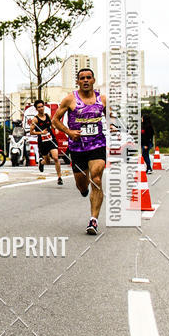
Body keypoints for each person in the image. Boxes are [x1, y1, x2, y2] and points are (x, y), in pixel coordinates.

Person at [52, 68, 107, 235]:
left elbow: (112, 117)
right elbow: (55, 120)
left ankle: (94, 220)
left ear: (93, 80)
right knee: (82, 183)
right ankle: (84, 190)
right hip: (77, 148)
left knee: (96, 178)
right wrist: (69, 132)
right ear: (78, 81)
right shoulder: (70, 99)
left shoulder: (102, 99)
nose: (85, 80)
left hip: (97, 145)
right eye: (82, 78)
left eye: (88, 77)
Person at [29, 99, 63, 185]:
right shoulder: (35, 120)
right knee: (47, 161)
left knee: (55, 158)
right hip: (42, 142)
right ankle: (42, 162)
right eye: (39, 107)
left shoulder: (48, 116)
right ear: (36, 109)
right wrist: (41, 132)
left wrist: (55, 129)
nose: (41, 108)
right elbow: (31, 132)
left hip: (51, 139)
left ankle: (59, 177)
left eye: (42, 106)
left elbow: (52, 125)